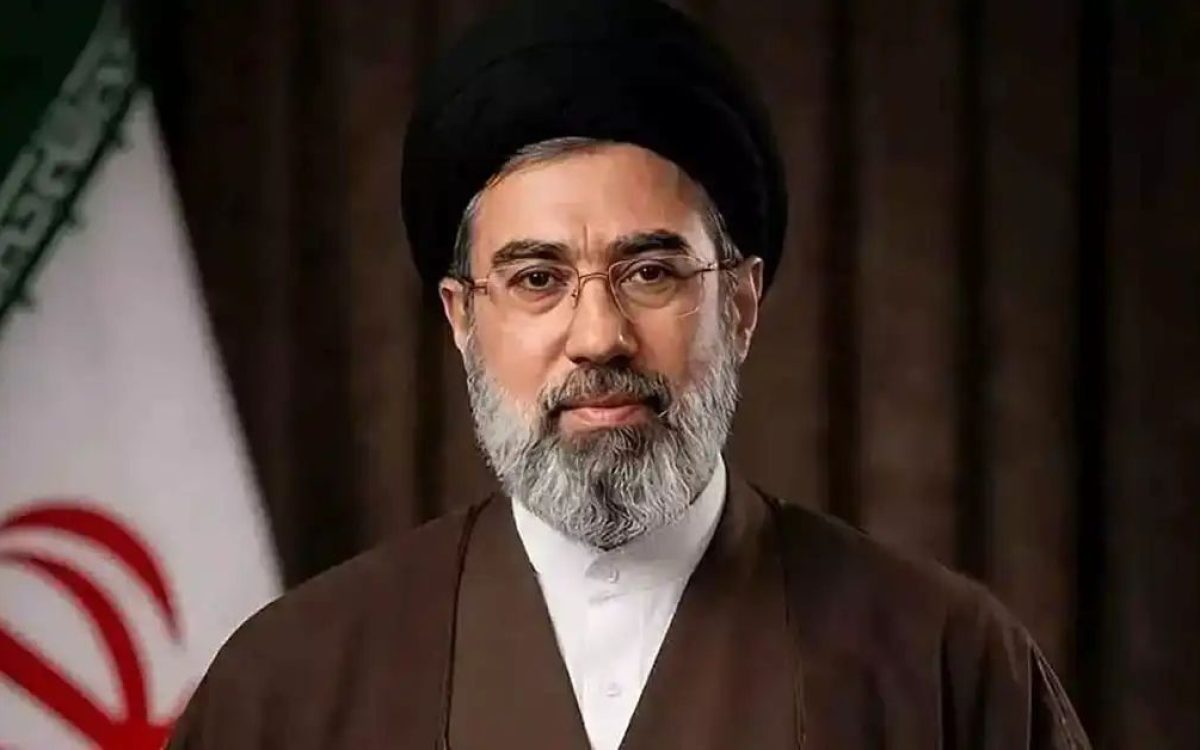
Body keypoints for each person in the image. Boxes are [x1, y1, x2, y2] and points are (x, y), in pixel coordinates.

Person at [168, 0, 1091, 747]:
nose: (599, 337)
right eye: (538, 280)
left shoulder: (943, 666)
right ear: (462, 317)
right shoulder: (288, 687)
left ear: (740, 304)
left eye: (650, 272)